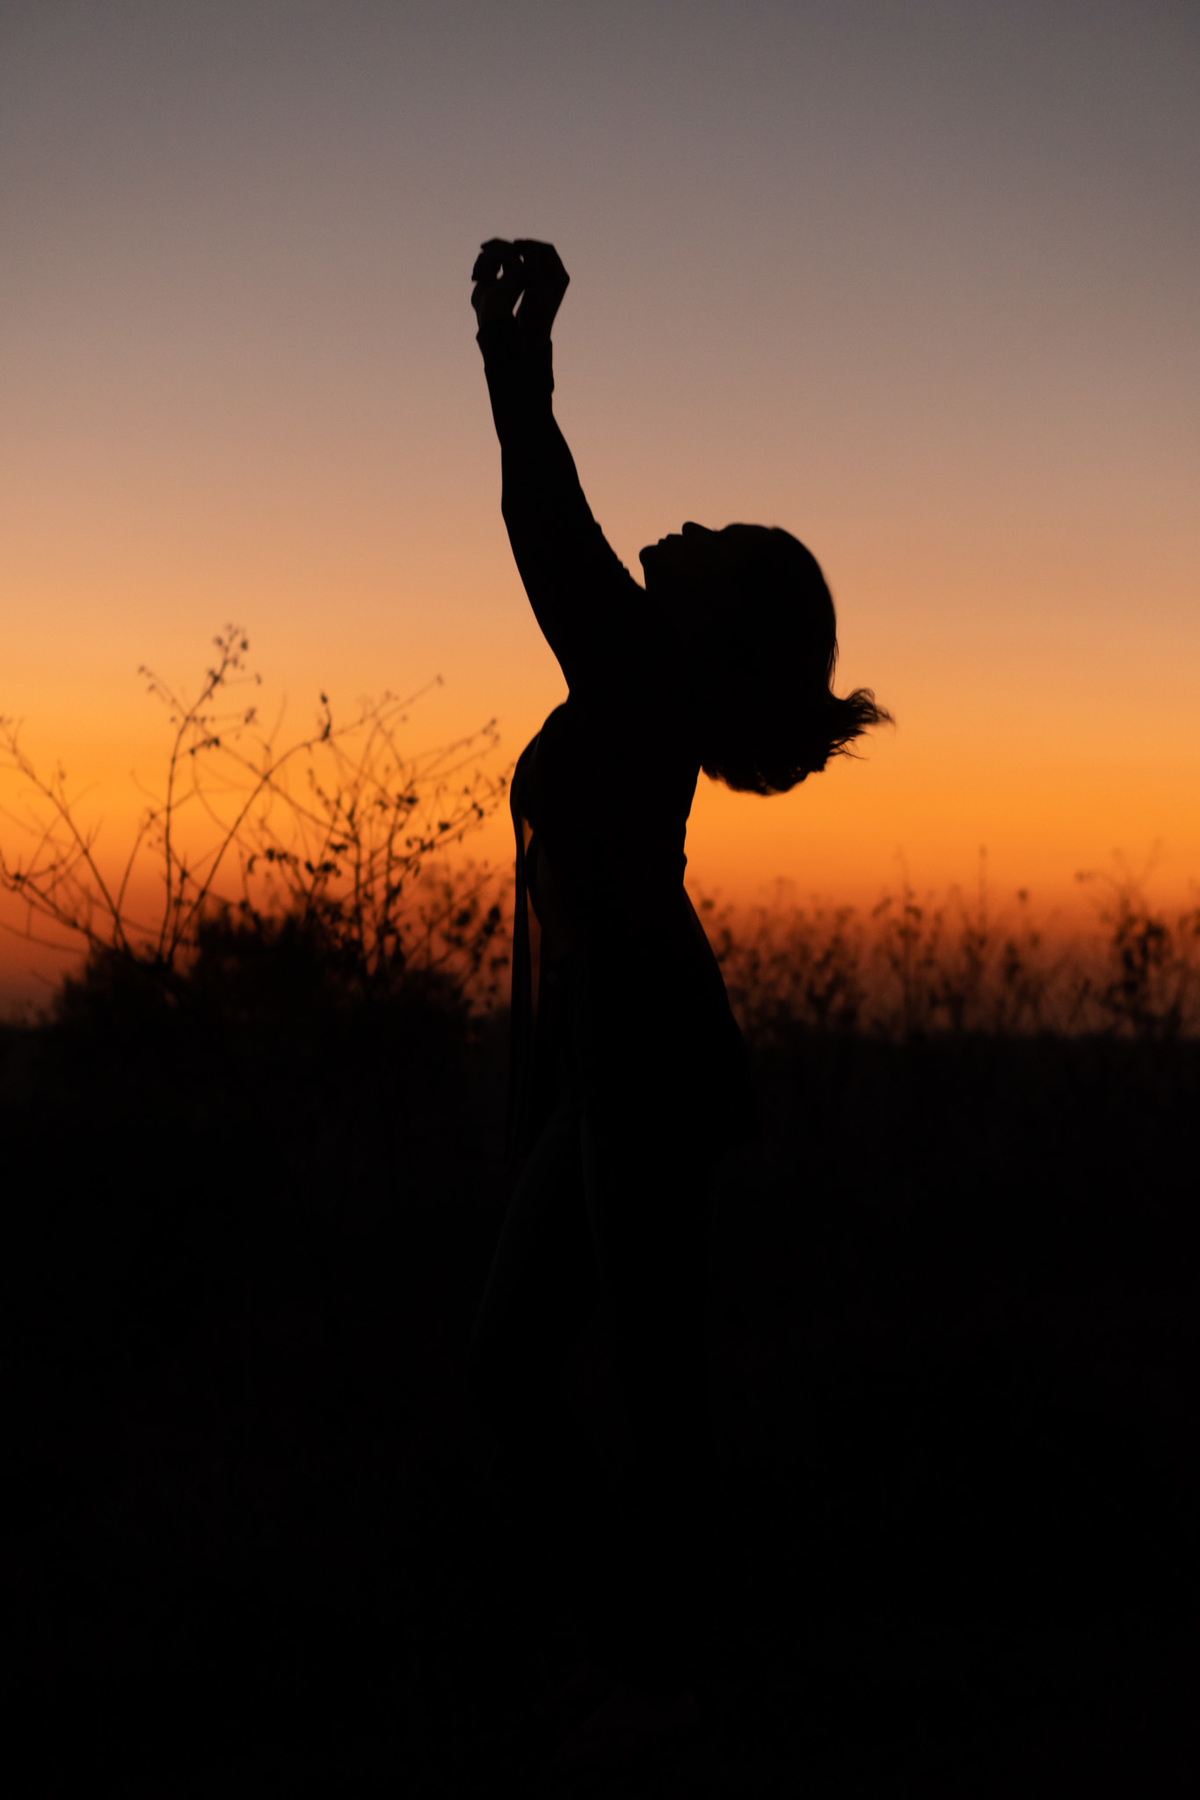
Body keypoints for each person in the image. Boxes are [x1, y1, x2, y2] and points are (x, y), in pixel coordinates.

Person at [463, 238, 889, 1770]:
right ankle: (648, 1664)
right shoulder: (631, 683)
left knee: (640, 1387)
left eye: (714, 536)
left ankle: (667, 1688)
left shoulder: (634, 671)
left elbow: (545, 518)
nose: (686, 522)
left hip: (640, 1049)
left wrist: (521, 361)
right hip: (615, 1049)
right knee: (532, 1374)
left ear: (713, 623)